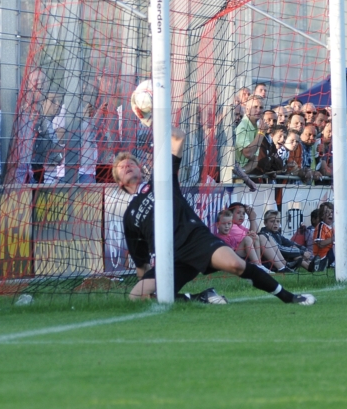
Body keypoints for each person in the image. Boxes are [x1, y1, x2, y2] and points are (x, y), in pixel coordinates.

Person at [116, 126, 315, 305]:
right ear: (120, 183)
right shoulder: (129, 216)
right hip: (170, 258)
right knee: (136, 296)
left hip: (195, 240)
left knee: (236, 265)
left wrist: (152, 119)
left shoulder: (161, 180)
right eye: (121, 167)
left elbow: (178, 136)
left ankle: (289, 297)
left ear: (140, 170)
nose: (127, 166)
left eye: (130, 163)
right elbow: (141, 262)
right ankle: (200, 297)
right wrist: (146, 288)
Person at [258, 210, 324, 273]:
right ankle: (310, 266)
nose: (275, 224)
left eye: (278, 221)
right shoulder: (265, 234)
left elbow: (289, 242)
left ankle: (311, 265)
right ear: (265, 223)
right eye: (272, 221)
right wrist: (301, 252)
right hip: (271, 263)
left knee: (293, 247)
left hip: (281, 259)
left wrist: (303, 249)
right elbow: (280, 249)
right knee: (295, 254)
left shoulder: (277, 233)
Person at [234, 95, 265, 174]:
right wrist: (261, 133)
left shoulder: (258, 127)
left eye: (261, 108)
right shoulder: (242, 125)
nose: (258, 110)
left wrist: (241, 172)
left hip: (238, 176)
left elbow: (254, 160)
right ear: (247, 109)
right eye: (255, 107)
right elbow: (248, 153)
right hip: (227, 175)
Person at [313, 202, 334, 269]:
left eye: (332, 212)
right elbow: (320, 244)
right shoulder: (321, 226)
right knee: (336, 245)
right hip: (323, 255)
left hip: (331, 253)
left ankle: (338, 262)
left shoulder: (333, 227)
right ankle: (322, 263)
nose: (330, 214)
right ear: (322, 216)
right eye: (327, 212)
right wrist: (333, 239)